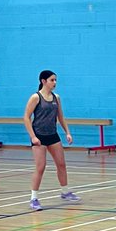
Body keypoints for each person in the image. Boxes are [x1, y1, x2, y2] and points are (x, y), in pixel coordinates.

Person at [23, 70, 81, 211]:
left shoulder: (56, 98)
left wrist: (67, 132)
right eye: (52, 80)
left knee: (61, 164)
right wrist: (33, 136)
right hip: (39, 136)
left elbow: (60, 117)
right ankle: (34, 198)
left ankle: (65, 191)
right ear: (43, 81)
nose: (54, 83)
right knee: (40, 167)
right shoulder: (35, 97)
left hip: (53, 135)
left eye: (55, 80)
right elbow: (26, 117)